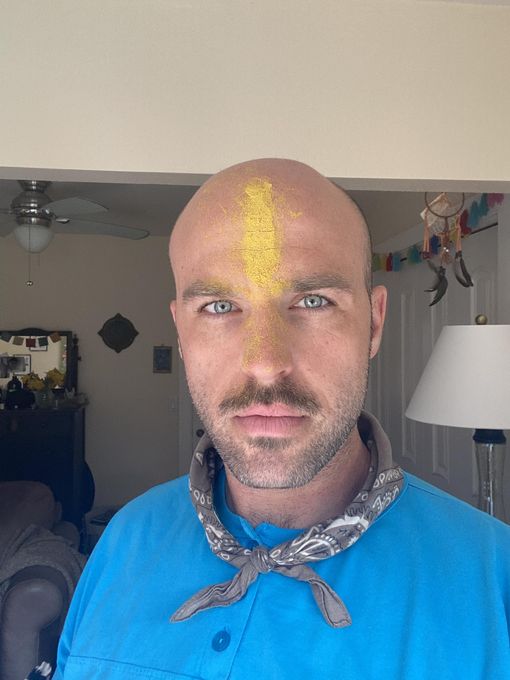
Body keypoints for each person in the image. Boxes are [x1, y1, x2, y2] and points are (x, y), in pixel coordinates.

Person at [54, 159, 510, 679]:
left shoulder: (494, 581)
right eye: (219, 306)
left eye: (313, 301)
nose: (266, 363)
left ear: (374, 322)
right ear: (181, 333)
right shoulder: (123, 542)